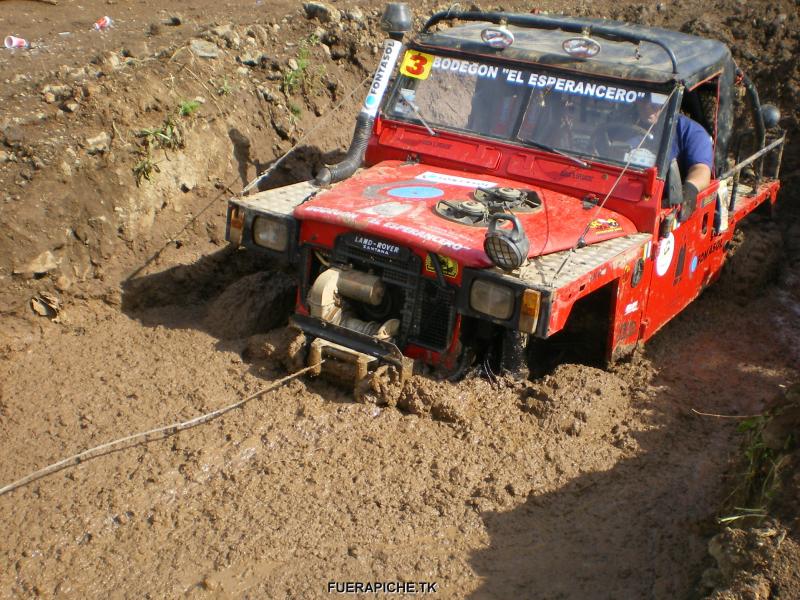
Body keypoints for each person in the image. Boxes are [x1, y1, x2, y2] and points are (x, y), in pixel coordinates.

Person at [636, 93, 713, 221]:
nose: (648, 106)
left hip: (666, 201)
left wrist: (690, 190)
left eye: (656, 101)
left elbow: (701, 169)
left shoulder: (690, 132)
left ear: (669, 102)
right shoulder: (622, 122)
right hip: (626, 195)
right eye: (643, 100)